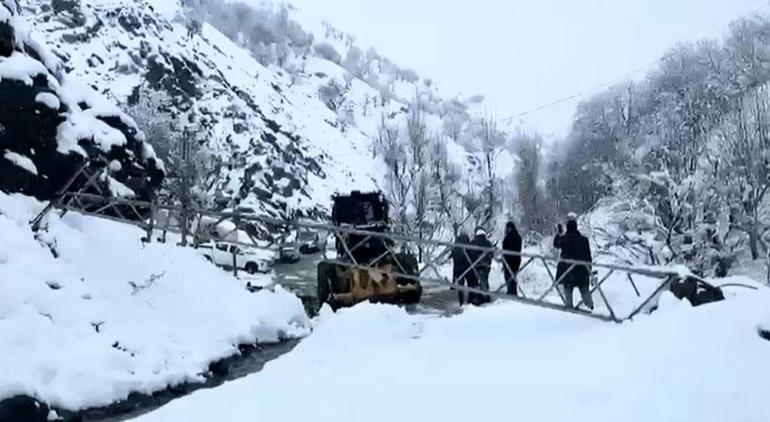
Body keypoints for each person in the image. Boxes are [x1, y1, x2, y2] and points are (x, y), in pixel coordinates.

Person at [555, 218, 594, 309]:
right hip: (582, 270)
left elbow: (556, 244)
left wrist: (559, 233)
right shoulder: (584, 240)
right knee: (584, 289)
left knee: (568, 289)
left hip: (567, 271)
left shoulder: (564, 239)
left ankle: (569, 307)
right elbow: (588, 255)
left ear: (568, 228)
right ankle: (590, 306)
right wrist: (589, 269)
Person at [468, 228, 493, 305]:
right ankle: (485, 296)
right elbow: (491, 254)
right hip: (486, 266)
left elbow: (468, 253)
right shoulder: (488, 243)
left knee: (474, 281)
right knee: (485, 279)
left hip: (476, 265)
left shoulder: (472, 243)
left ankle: (475, 298)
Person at [502, 221, 522, 296]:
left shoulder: (516, 237)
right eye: (508, 228)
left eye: (510, 228)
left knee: (512, 276)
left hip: (514, 260)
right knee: (507, 276)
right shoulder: (507, 237)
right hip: (507, 260)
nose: (508, 229)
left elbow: (517, 249)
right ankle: (510, 291)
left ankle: (513, 292)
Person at [451, 233, 472, 305]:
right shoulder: (468, 245)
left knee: (461, 286)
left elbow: (454, 264)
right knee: (470, 284)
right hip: (468, 268)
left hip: (459, 269)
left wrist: (453, 281)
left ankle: (461, 302)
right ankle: (470, 301)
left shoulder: (455, 248)